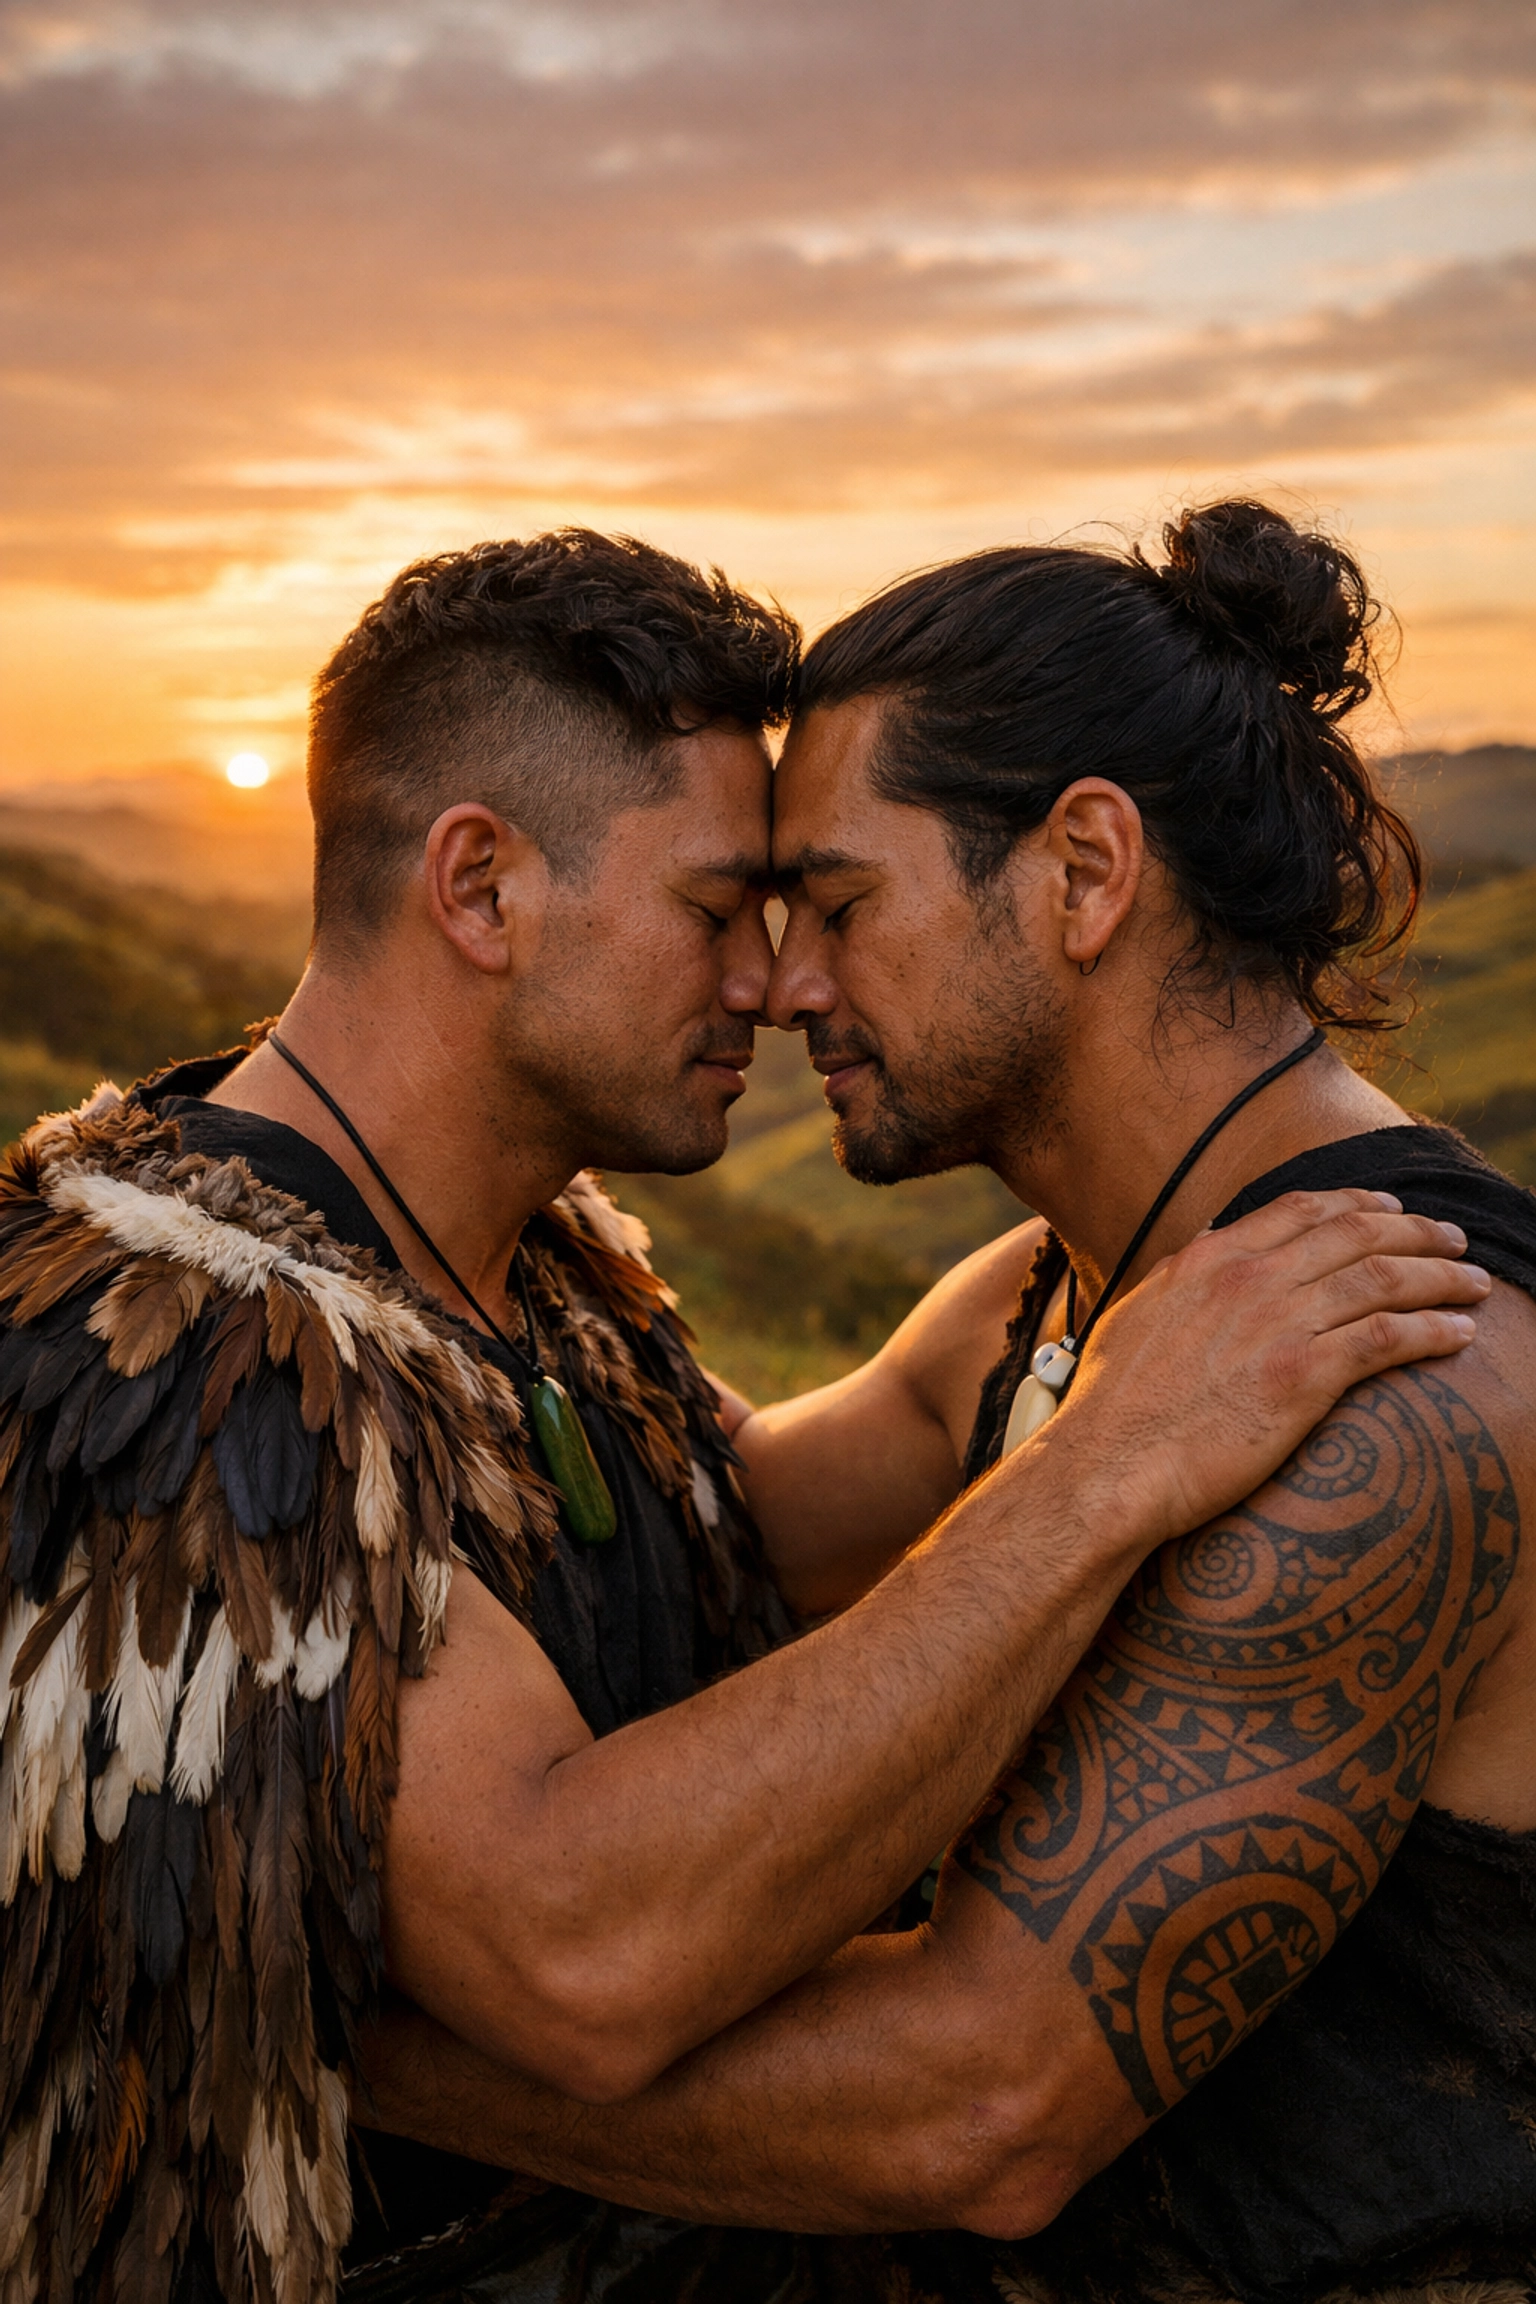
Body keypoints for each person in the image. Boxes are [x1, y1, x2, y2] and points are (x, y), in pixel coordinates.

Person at [0, 525, 1481, 2304]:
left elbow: (741, 1533)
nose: (776, 982)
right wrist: (1105, 1461)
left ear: (1090, 870)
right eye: (725, 910)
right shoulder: (161, 1349)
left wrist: (1103, 1298)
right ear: (479, 891)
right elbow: (584, 1932)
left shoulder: (544, 1284)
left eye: (828, 908)